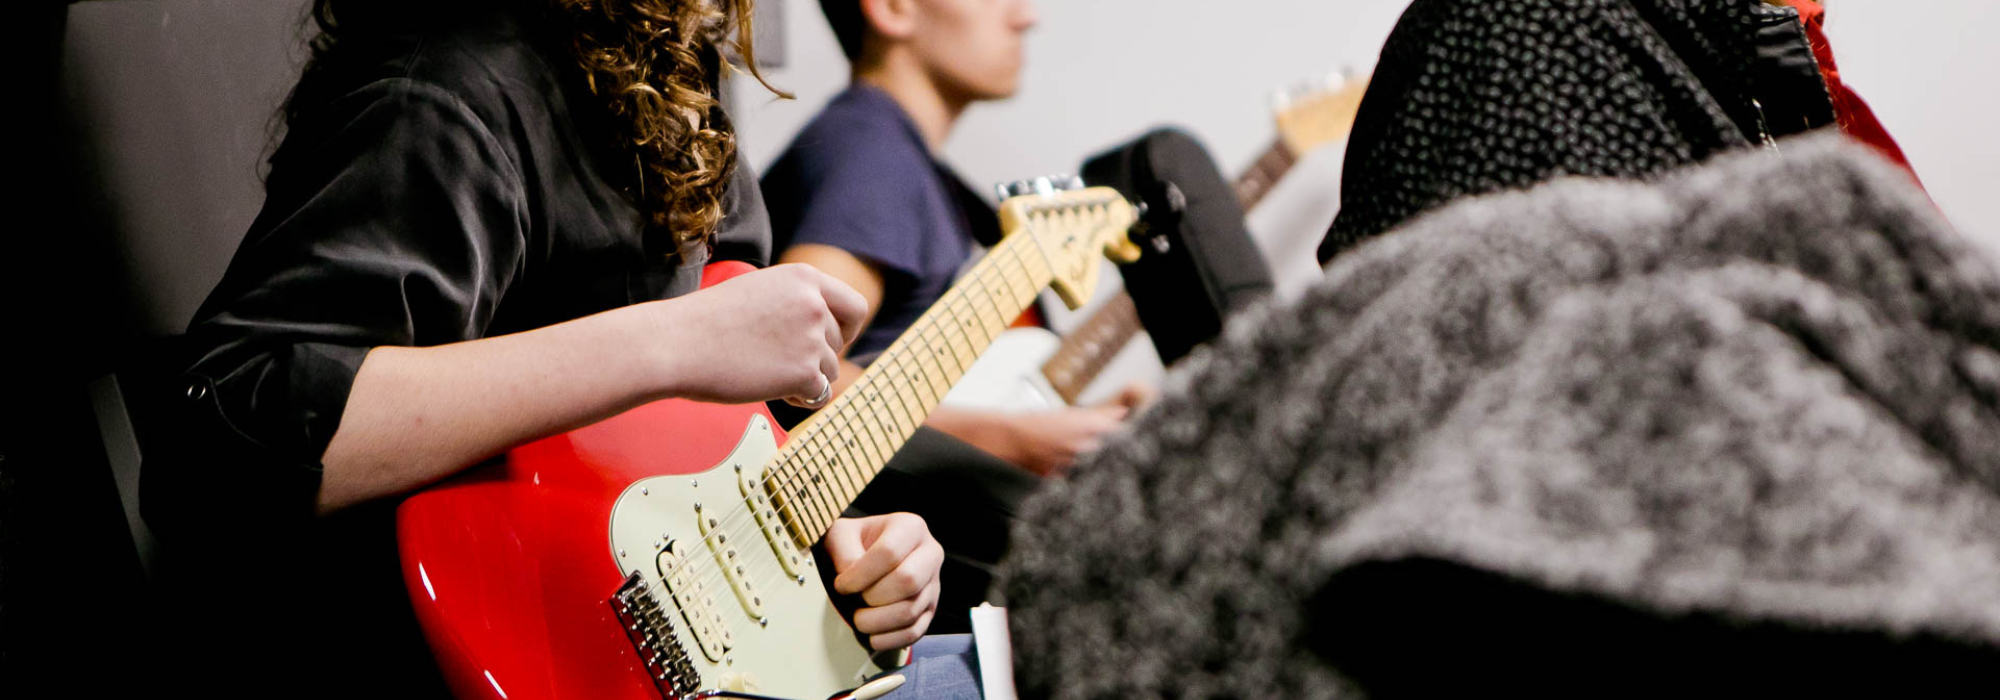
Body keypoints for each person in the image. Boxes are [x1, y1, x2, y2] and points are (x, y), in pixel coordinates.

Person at [143, 0, 956, 695]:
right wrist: (672, 341)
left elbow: (698, 456)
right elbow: (220, 448)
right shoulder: (442, 87)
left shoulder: (673, 76)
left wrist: (825, 550)